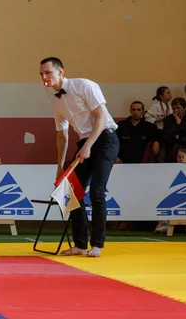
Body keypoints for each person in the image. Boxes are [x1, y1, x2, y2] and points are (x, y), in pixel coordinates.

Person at [39, 57, 119, 258]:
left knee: (97, 192)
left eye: (47, 72)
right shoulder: (57, 101)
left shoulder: (84, 85)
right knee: (72, 191)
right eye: (41, 74)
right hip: (85, 143)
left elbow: (101, 116)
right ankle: (80, 244)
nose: (44, 77)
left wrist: (88, 146)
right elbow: (61, 136)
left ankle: (97, 244)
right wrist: (59, 167)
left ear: (60, 72)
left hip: (105, 139)